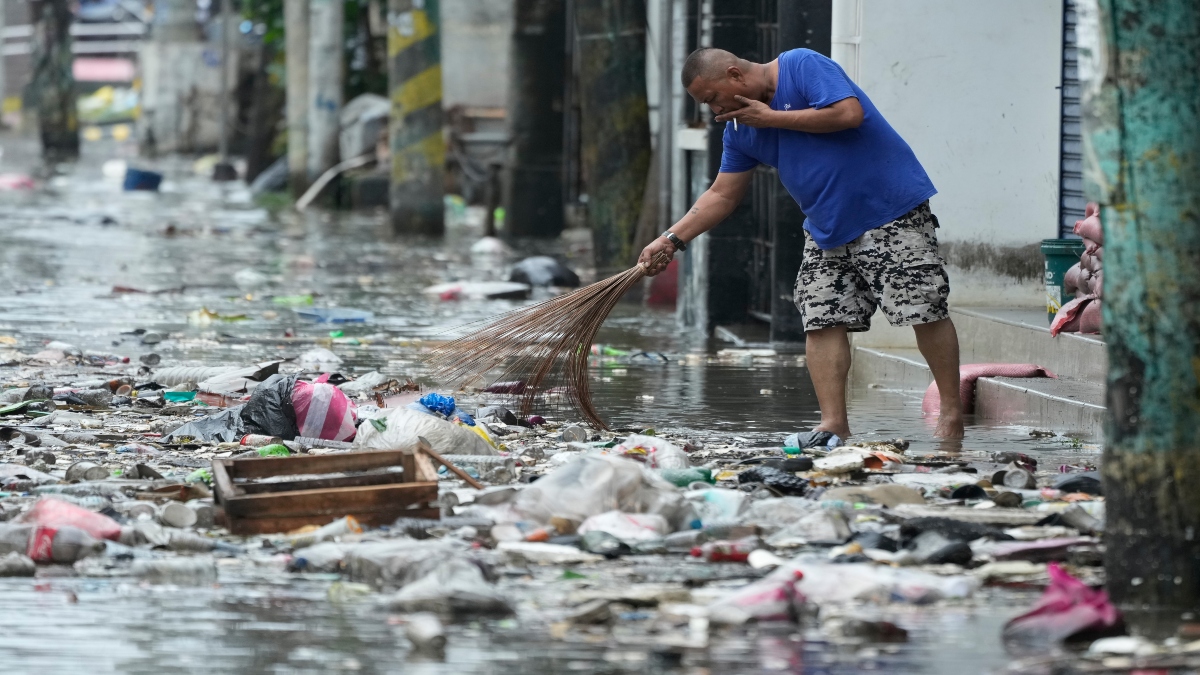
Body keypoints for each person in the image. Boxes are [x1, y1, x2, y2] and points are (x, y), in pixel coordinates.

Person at [639, 47, 964, 443]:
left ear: (734, 75)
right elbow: (722, 195)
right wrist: (671, 239)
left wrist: (773, 118)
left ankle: (950, 413)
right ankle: (833, 425)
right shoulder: (740, 131)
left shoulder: (800, 65)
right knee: (821, 317)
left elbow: (848, 114)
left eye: (711, 98)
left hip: (889, 210)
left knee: (922, 309)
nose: (713, 109)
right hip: (826, 229)